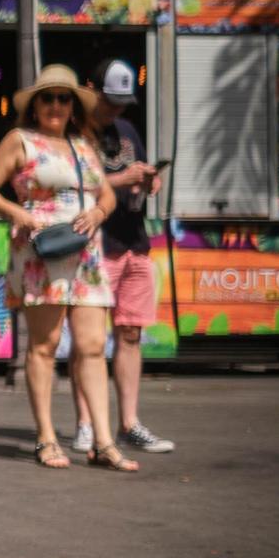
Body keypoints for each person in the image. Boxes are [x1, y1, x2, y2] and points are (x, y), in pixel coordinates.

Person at [0, 64, 137, 472]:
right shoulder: (20, 140)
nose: (56, 106)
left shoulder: (83, 145)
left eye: (64, 99)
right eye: (48, 98)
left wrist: (99, 211)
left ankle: (102, 442)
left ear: (74, 106)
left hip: (86, 255)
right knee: (43, 347)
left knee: (93, 347)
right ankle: (46, 437)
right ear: (35, 105)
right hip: (41, 254)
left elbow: (107, 195)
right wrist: (17, 213)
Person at [71, 59, 173, 455]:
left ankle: (129, 422)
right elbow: (73, 186)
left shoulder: (127, 130)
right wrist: (120, 179)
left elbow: (137, 180)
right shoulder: (75, 134)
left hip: (134, 242)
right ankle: (85, 423)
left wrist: (149, 181)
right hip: (96, 245)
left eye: (122, 102)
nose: (116, 110)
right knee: (89, 341)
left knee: (131, 333)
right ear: (90, 88)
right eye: (109, 101)